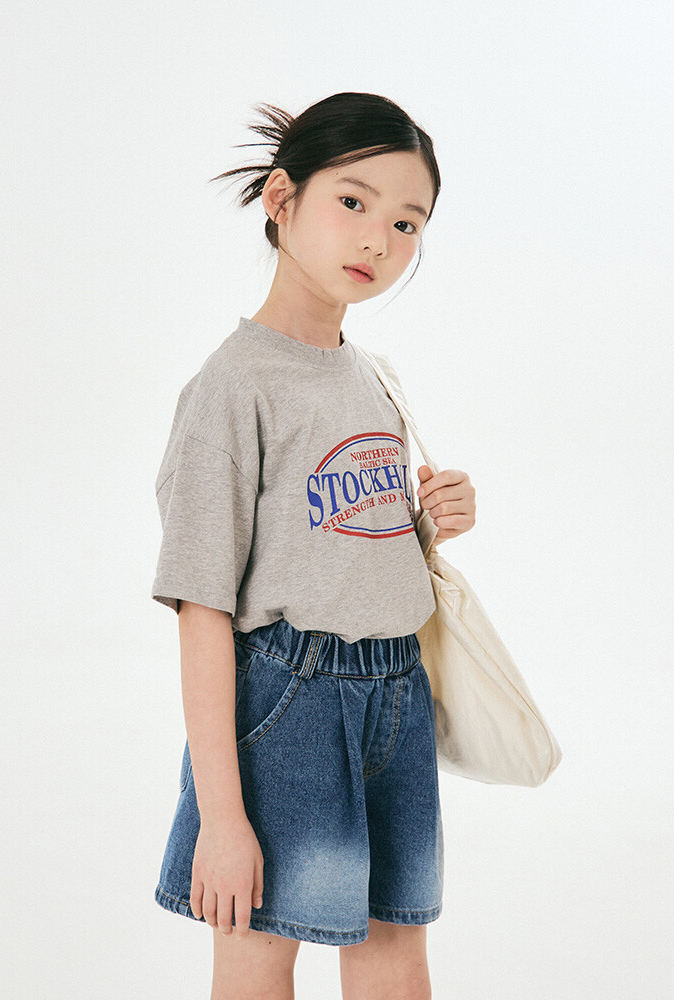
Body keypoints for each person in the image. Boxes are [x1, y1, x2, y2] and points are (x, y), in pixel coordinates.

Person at [150, 92, 477, 1000]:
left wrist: (431, 522)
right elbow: (202, 611)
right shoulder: (232, 390)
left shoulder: (373, 378)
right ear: (281, 199)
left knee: (396, 950)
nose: (379, 238)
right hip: (288, 704)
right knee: (259, 950)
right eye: (353, 201)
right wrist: (223, 817)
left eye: (407, 222)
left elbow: (337, 547)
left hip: (395, 693)